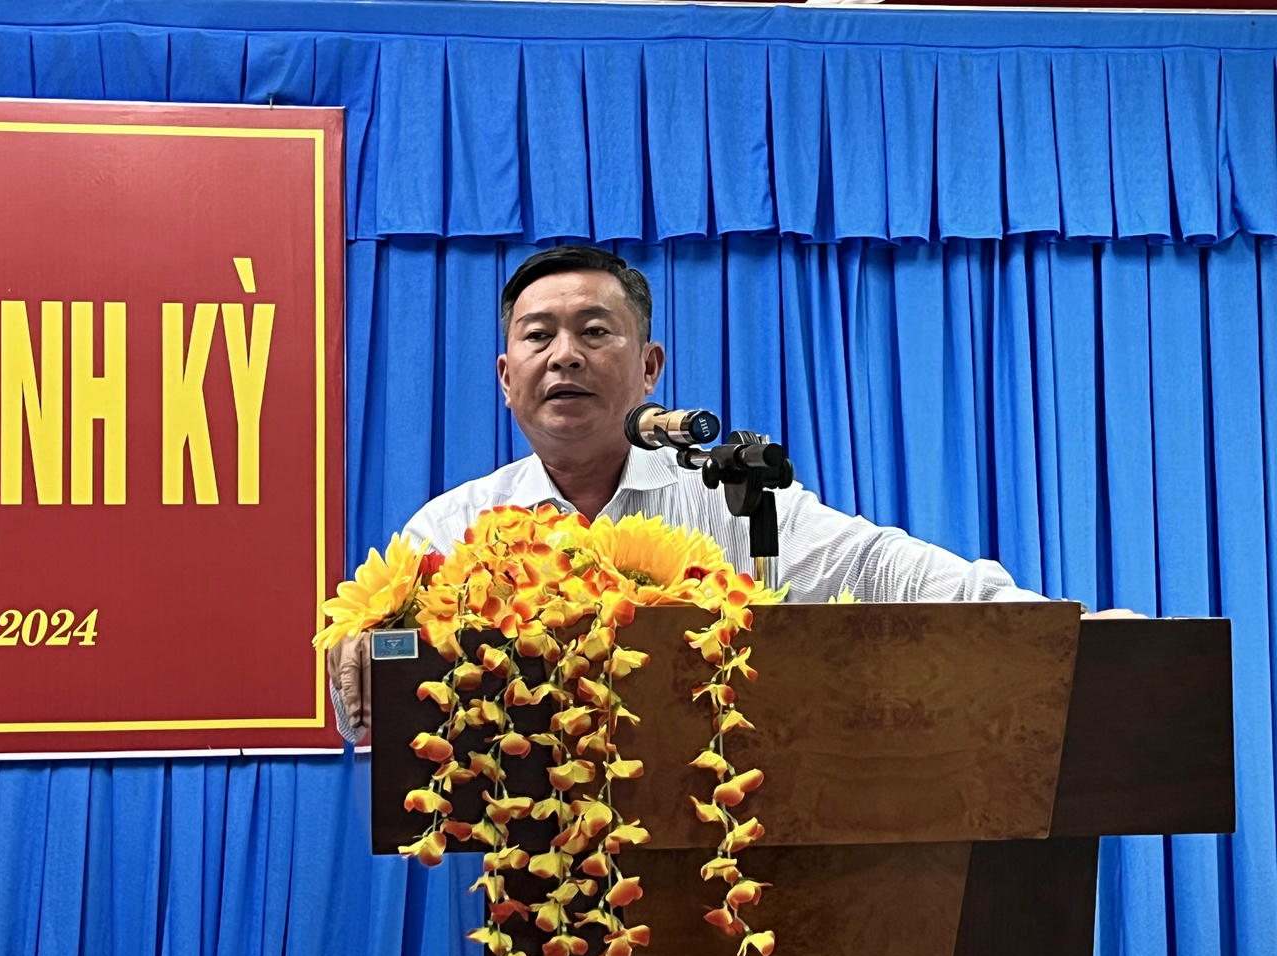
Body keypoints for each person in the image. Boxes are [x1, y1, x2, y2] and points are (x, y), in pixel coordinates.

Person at [328, 245, 1065, 740]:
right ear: (504, 377)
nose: (565, 356)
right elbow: (364, 711)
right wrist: (364, 653)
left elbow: (876, 570)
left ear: (650, 368)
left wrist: (1071, 633)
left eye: (594, 332)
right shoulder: (455, 526)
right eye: (538, 336)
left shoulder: (727, 495)